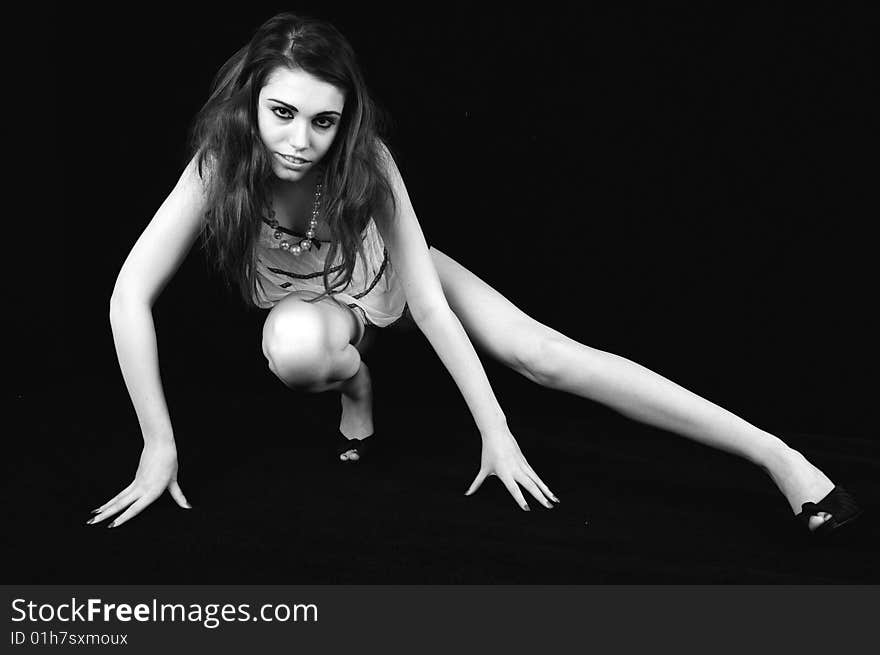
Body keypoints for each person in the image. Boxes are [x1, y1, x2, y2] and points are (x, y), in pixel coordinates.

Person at [89, 12, 861, 535]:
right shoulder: (220, 164)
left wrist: (495, 431)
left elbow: (428, 306)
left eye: (323, 121)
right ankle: (355, 385)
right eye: (282, 113)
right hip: (311, 315)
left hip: (388, 275)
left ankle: (777, 455)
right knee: (295, 348)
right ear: (250, 104)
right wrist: (159, 443)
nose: (301, 139)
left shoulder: (367, 165)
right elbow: (130, 294)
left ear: (344, 120)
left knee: (542, 355)